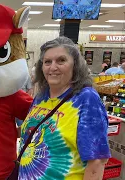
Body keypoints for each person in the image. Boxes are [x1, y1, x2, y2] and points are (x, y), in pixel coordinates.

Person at [18, 37, 111, 180]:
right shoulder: (41, 96)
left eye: (61, 60)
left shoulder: (86, 99)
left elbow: (97, 161)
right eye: (47, 62)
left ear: (75, 65)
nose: (53, 67)